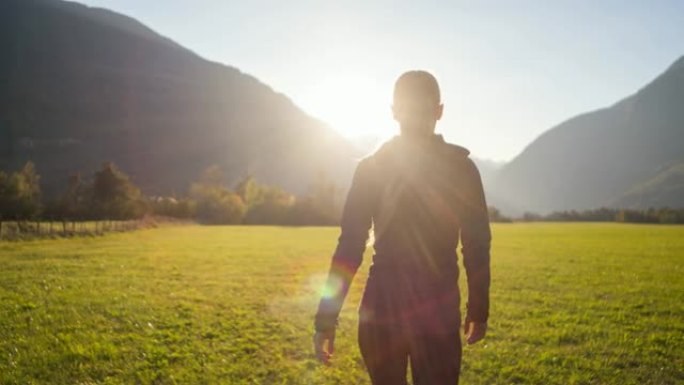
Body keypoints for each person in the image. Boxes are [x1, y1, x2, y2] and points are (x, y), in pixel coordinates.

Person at [313, 70, 491, 384]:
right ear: (440, 111)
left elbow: (350, 246)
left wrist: (326, 320)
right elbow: (476, 245)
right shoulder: (461, 169)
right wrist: (478, 308)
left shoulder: (371, 168)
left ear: (394, 111)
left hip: (385, 310)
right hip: (434, 311)